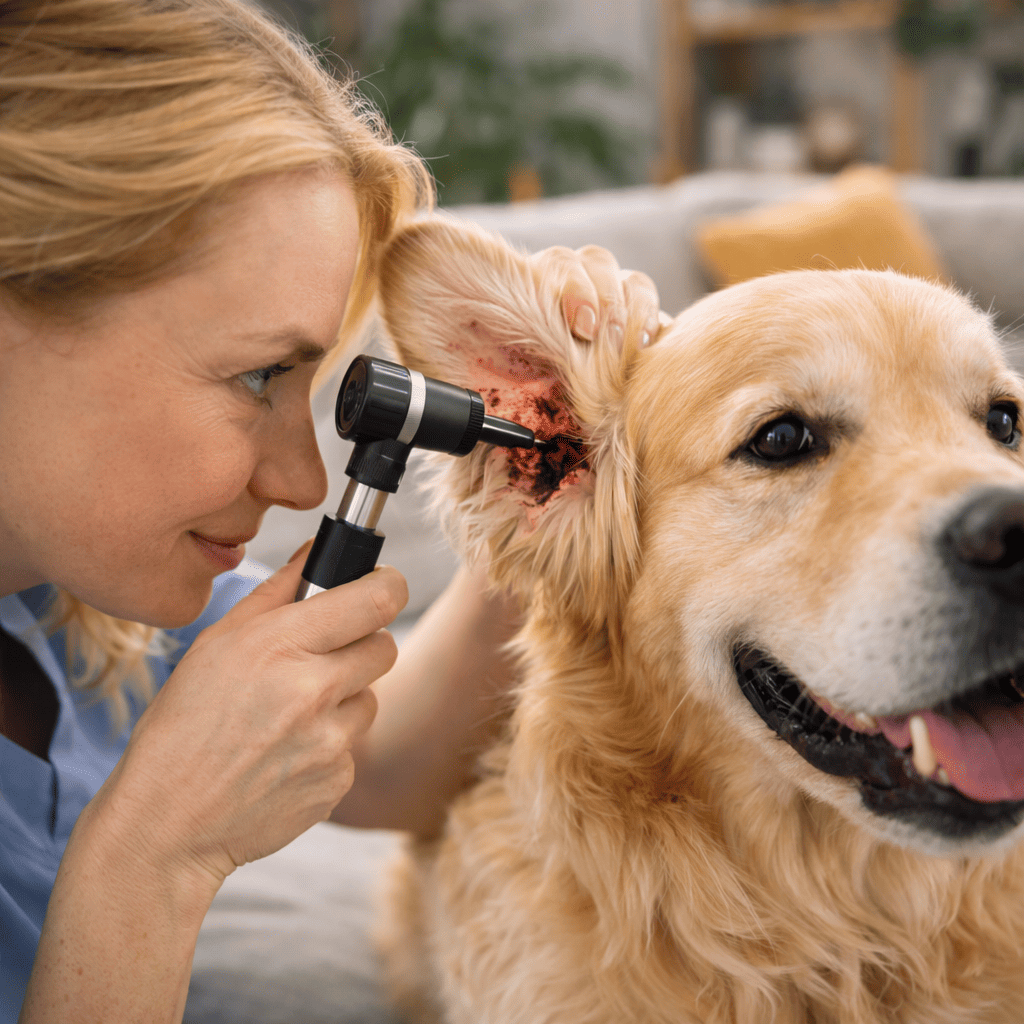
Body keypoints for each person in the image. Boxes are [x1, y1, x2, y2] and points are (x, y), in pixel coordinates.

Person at [0, 1, 661, 1021]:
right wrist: (155, 856)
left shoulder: (68, 613)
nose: (303, 482)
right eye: (259, 373)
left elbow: (384, 764)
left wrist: (555, 488)